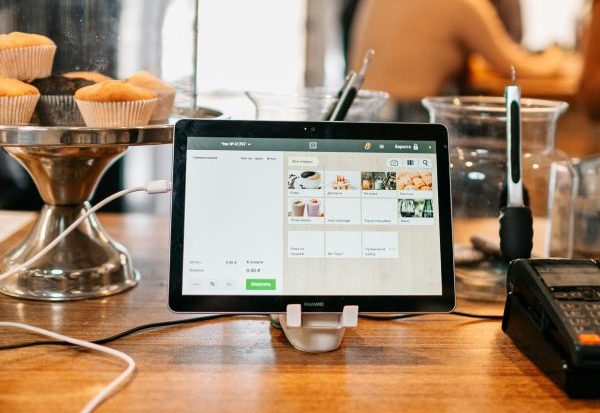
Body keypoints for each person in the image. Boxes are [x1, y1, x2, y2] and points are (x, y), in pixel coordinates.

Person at [349, 0, 569, 120]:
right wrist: (557, 57)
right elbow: (512, 66)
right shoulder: (464, 4)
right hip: (408, 115)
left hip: (360, 111)